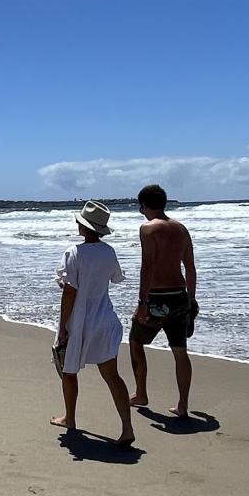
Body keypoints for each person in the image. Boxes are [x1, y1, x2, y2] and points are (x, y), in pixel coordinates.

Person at [51, 201, 135, 446]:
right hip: (105, 318)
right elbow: (112, 279)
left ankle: (70, 418)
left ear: (82, 225)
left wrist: (61, 328)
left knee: (68, 371)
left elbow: (70, 292)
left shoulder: (74, 252)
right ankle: (127, 428)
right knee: (112, 375)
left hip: (81, 321)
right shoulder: (108, 252)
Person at [128, 184, 197, 417]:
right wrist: (192, 299)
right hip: (180, 296)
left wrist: (142, 302)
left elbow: (147, 266)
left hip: (157, 298)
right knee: (180, 351)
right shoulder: (181, 228)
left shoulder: (148, 228)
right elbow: (190, 266)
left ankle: (141, 393)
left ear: (144, 205)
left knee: (136, 342)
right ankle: (183, 405)